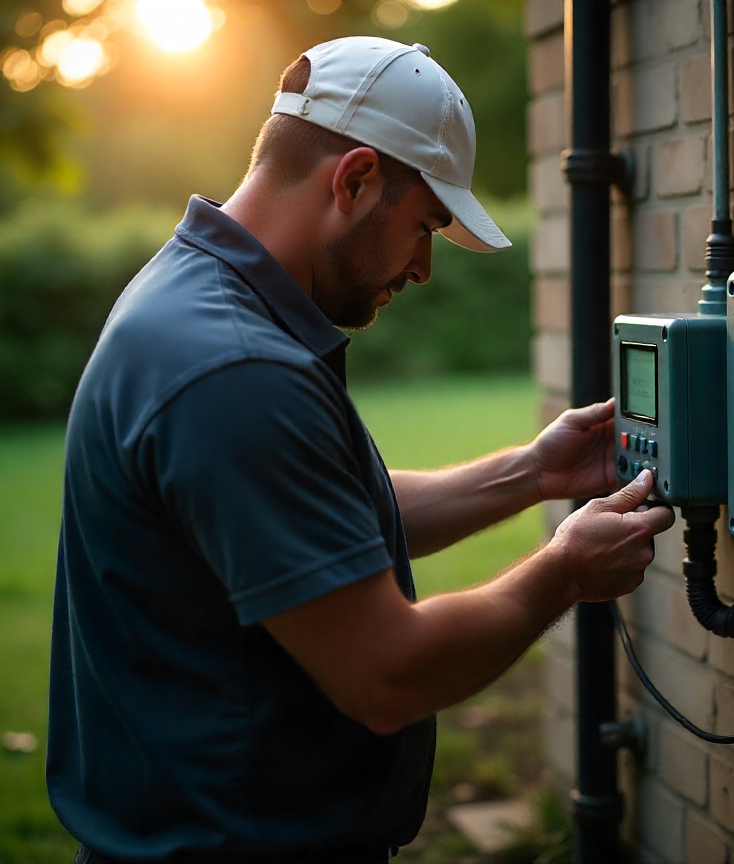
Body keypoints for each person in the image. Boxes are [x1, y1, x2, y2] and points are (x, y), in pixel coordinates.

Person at [47, 36, 674, 863]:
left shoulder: (191, 302)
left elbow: (319, 524)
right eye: (424, 227)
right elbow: (389, 674)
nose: (422, 269)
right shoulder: (234, 371)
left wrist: (537, 473)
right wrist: (565, 570)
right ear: (354, 179)